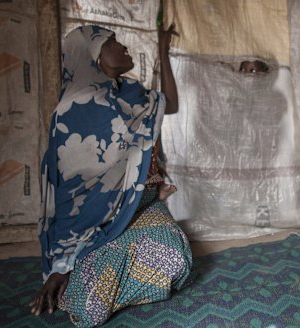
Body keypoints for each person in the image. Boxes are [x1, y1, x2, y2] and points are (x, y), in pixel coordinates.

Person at [29, 23, 193, 327]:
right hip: (93, 222)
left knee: (176, 257)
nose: (124, 47)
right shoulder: (73, 110)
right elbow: (71, 197)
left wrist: (163, 50)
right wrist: (62, 263)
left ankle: (104, 265)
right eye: (113, 43)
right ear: (94, 57)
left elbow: (170, 104)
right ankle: (82, 273)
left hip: (137, 205)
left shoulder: (130, 94)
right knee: (88, 304)